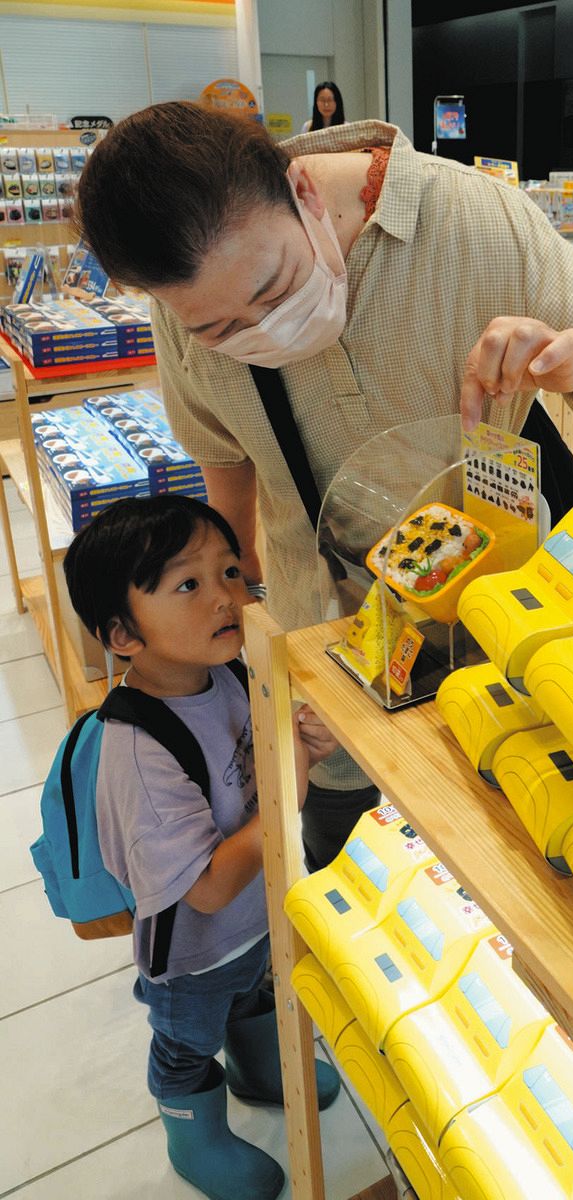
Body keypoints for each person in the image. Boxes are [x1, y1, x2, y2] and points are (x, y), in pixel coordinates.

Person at [75, 101, 573, 870]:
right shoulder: (181, 305)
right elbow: (228, 496)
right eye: (219, 330)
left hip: (516, 666)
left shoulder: (468, 217)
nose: (261, 329)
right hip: (337, 695)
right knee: (362, 919)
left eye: (274, 286)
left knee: (523, 902)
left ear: (302, 190)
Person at [62, 494, 341, 1200]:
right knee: (188, 1043)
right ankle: (195, 1134)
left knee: (256, 992)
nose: (227, 597)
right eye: (189, 584)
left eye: (229, 571)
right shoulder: (138, 752)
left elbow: (259, 753)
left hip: (255, 920)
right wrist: (292, 783)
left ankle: (256, 1066)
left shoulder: (222, 674)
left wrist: (297, 744)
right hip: (191, 955)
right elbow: (208, 887)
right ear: (123, 634)